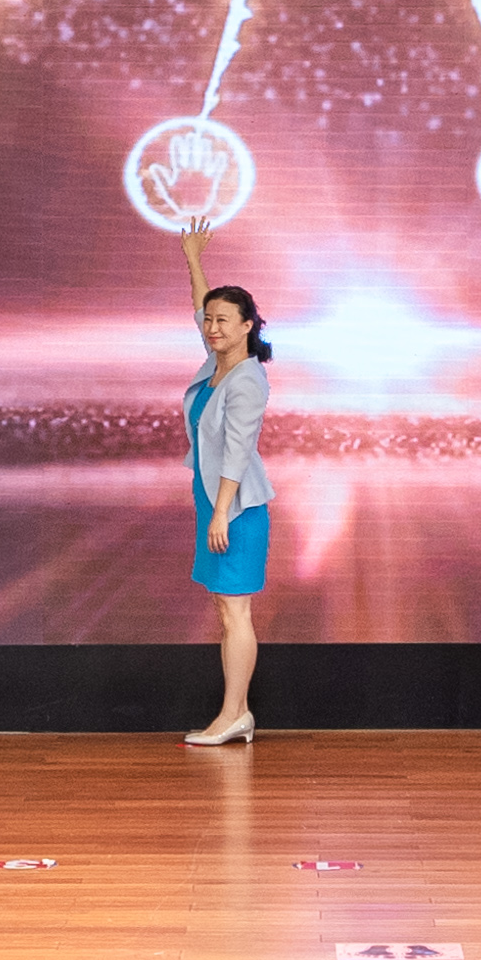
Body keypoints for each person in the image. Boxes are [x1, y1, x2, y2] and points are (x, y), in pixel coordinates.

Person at [176, 226, 275, 749]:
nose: (211, 327)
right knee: (224, 609)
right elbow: (200, 306)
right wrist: (194, 259)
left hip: (234, 507)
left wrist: (221, 511)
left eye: (222, 321)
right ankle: (235, 713)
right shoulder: (217, 364)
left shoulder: (246, 380)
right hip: (213, 501)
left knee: (235, 611)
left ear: (247, 326)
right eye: (209, 321)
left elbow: (237, 451)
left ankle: (235, 713)